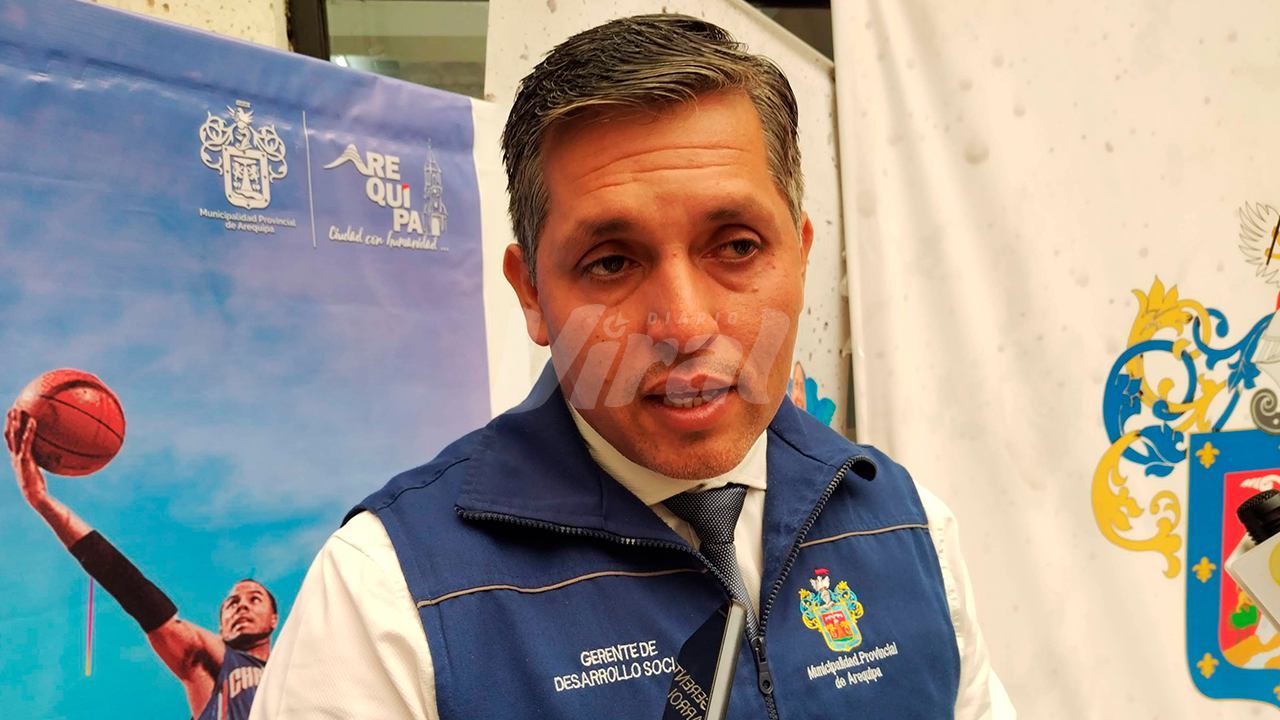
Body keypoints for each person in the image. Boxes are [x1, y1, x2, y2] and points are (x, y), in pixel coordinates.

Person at [253, 14, 1014, 720]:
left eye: (737, 247)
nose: (684, 325)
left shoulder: (909, 528)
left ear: (801, 254)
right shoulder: (387, 599)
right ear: (531, 294)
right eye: (611, 262)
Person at [5, 409, 277, 720]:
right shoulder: (213, 660)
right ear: (221, 628)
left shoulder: (298, 673)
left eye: (254, 599)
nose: (241, 607)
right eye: (232, 603)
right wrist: (43, 501)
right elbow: (136, 593)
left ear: (275, 619)